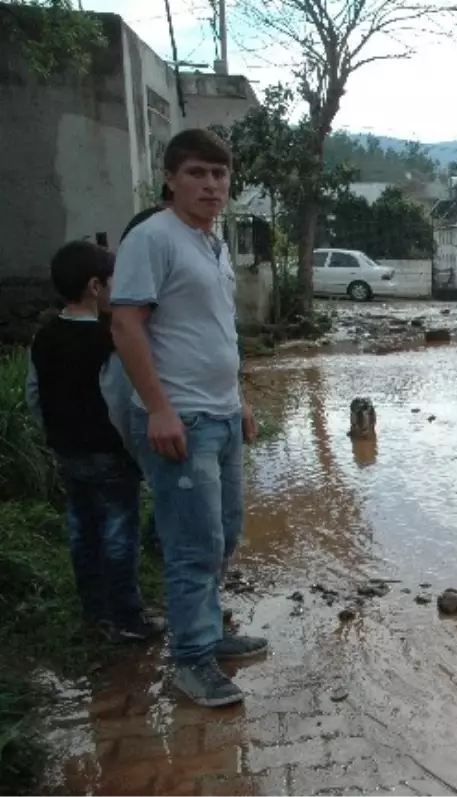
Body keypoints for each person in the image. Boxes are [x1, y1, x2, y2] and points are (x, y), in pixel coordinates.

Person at [110, 128, 264, 708]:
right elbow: (126, 326)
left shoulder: (212, 245)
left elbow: (214, 332)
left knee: (222, 534)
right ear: (171, 178)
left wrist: (240, 398)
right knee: (192, 544)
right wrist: (158, 409)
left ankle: (210, 635)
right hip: (182, 419)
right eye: (197, 173)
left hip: (221, 414)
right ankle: (192, 661)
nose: (211, 184)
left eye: (219, 174)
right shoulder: (153, 239)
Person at [25, 241, 165, 644]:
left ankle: (94, 611)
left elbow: (34, 395)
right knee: (119, 534)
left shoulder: (45, 336)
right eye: (112, 282)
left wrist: (54, 437)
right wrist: (136, 451)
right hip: (109, 453)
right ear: (94, 286)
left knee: (82, 530)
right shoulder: (109, 339)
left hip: (66, 452)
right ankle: (127, 616)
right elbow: (119, 401)